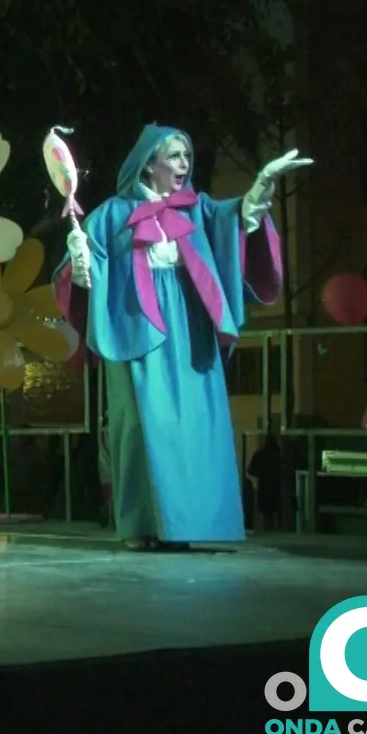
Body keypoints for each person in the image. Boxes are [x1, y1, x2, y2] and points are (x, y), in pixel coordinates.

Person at [56, 125, 307, 550]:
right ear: (148, 163)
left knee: (194, 425)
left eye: (187, 156)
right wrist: (79, 267)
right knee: (138, 426)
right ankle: (142, 525)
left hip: (189, 325)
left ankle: (192, 525)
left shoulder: (197, 210)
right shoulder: (113, 214)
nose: (183, 164)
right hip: (135, 323)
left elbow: (238, 220)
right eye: (173, 156)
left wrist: (262, 186)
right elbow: (84, 267)